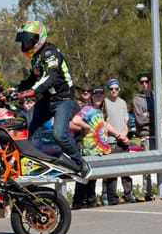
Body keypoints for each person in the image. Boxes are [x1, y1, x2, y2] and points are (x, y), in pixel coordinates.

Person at [14, 20, 91, 180]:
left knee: (59, 134)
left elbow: (50, 77)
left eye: (29, 40)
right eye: (25, 42)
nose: (26, 44)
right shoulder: (36, 58)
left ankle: (80, 164)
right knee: (24, 125)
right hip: (48, 100)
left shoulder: (50, 53)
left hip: (63, 100)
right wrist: (16, 89)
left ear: (39, 38)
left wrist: (31, 92)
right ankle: (24, 161)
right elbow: (31, 78)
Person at [70, 86, 126, 209]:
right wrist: (87, 127)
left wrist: (118, 135)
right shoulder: (88, 109)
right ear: (92, 97)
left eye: (100, 95)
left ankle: (91, 200)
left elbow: (105, 125)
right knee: (86, 177)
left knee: (93, 177)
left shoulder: (100, 111)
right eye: (96, 95)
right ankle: (79, 201)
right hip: (90, 148)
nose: (98, 97)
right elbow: (75, 120)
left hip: (100, 148)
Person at [103, 78, 134, 204]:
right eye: (111, 89)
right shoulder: (104, 102)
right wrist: (118, 135)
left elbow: (126, 121)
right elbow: (104, 123)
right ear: (108, 90)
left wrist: (125, 135)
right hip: (110, 141)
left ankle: (128, 195)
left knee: (126, 171)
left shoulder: (123, 103)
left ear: (119, 89)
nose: (114, 91)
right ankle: (110, 197)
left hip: (123, 141)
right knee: (111, 173)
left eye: (116, 88)